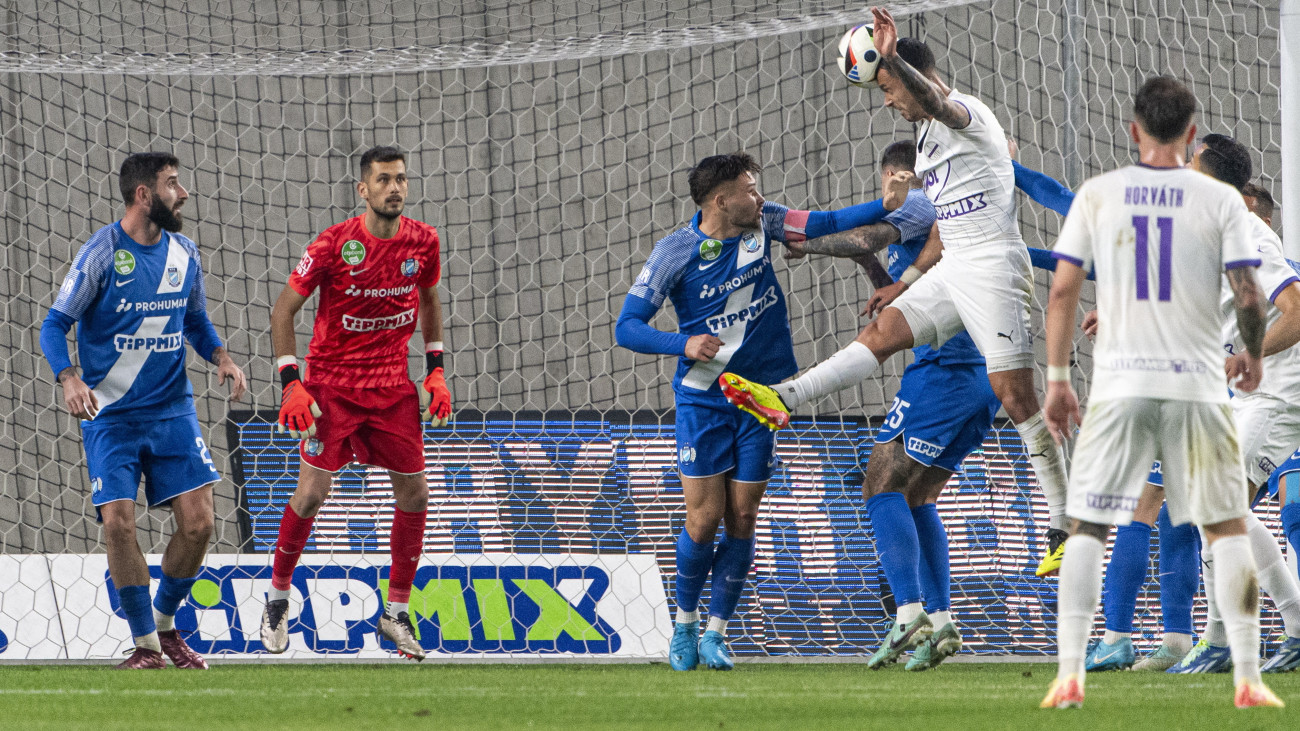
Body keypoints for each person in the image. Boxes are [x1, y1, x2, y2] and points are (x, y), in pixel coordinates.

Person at [718, 7, 1071, 580]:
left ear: (915, 76)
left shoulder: (965, 115)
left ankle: (1064, 521)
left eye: (887, 87)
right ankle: (785, 395)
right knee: (881, 333)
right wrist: (906, 282)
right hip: (957, 266)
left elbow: (936, 101)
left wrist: (895, 58)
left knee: (1015, 394)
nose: (887, 100)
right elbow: (939, 226)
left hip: (995, 270)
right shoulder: (928, 145)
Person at [1039, 76, 1281, 709]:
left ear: (1133, 130)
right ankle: (1225, 658)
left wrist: (1059, 377)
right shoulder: (1214, 211)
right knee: (1214, 515)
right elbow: (1229, 294)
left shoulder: (1123, 196)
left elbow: (1069, 289)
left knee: (1106, 515)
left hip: (1160, 381)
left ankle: (1101, 656)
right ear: (1190, 133)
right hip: (1196, 382)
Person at [615, 151, 897, 671]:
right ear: (721, 200)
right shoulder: (675, 251)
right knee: (703, 521)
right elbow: (627, 326)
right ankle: (685, 624)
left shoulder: (764, 224)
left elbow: (825, 222)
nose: (760, 196)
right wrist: (682, 344)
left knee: (743, 517)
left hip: (762, 397)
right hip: (703, 399)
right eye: (749, 189)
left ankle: (717, 633)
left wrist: (884, 204)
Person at [784, 140, 999, 670]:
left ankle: (907, 612)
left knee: (879, 480)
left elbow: (868, 232)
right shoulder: (949, 218)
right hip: (982, 375)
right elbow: (904, 291)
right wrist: (870, 267)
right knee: (920, 495)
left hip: (946, 368)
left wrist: (803, 242)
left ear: (902, 173)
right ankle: (943, 622)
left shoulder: (922, 204)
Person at [38, 151, 248, 669]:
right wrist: (68, 378)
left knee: (199, 525)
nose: (184, 193)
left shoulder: (185, 253)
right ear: (143, 195)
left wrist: (221, 356)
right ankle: (145, 646)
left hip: (173, 409)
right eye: (173, 184)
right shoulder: (102, 253)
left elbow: (195, 320)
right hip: (110, 414)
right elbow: (52, 325)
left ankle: (164, 624)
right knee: (118, 523)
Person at [260, 145, 451, 662]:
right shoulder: (333, 244)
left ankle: (395, 613)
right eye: (384, 180)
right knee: (312, 493)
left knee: (415, 494)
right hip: (333, 388)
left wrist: (435, 372)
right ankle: (277, 596)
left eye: (402, 179)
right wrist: (291, 383)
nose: (395, 188)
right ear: (363, 190)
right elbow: (283, 311)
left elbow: (430, 301)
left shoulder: (423, 242)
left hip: (392, 389)